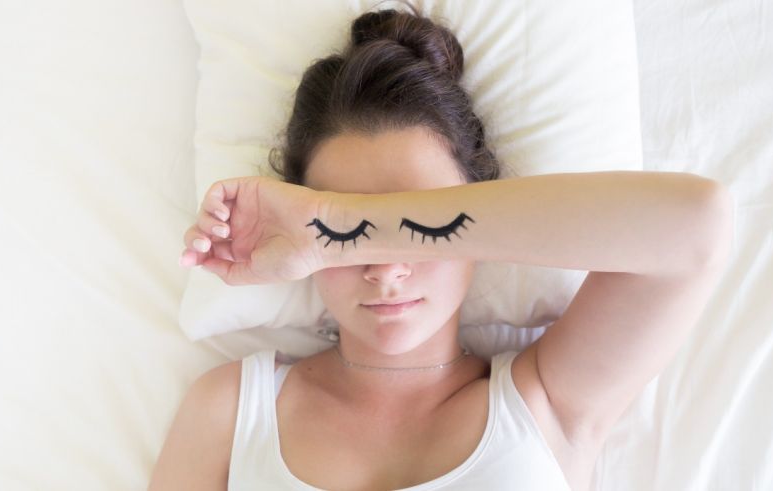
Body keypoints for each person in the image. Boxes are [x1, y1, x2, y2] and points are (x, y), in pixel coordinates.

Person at [150, 4, 733, 490]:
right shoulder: (232, 410)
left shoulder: (545, 403)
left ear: (481, 214)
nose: (386, 269)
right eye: (346, 242)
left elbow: (698, 226)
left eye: (414, 222)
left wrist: (339, 220)